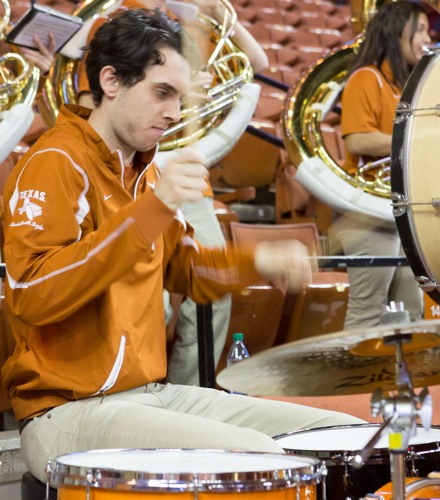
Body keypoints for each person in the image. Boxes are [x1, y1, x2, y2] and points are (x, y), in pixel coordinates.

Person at [1, 9, 364, 484]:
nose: (174, 112)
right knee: (258, 459)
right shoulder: (55, 161)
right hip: (66, 412)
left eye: (179, 96)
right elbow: (34, 294)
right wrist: (156, 207)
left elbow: (190, 273)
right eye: (161, 93)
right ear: (111, 81)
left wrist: (258, 263)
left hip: (152, 393)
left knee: (344, 435)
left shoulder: (145, 172)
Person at [75, 0, 268, 386]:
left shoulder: (189, 25)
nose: (176, 109)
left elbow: (258, 63)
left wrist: (216, 11)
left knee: (215, 292)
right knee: (151, 299)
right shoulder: (119, 21)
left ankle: (191, 394)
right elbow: (90, 106)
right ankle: (136, 391)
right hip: (133, 174)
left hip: (185, 174)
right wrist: (168, 94)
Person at [336, 1, 430, 329]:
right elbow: (357, 141)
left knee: (410, 314)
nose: (427, 37)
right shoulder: (366, 77)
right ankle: (355, 383)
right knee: (368, 314)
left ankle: (398, 382)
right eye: (420, 29)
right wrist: (414, 136)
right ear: (396, 32)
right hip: (366, 214)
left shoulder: (399, 86)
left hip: (397, 211)